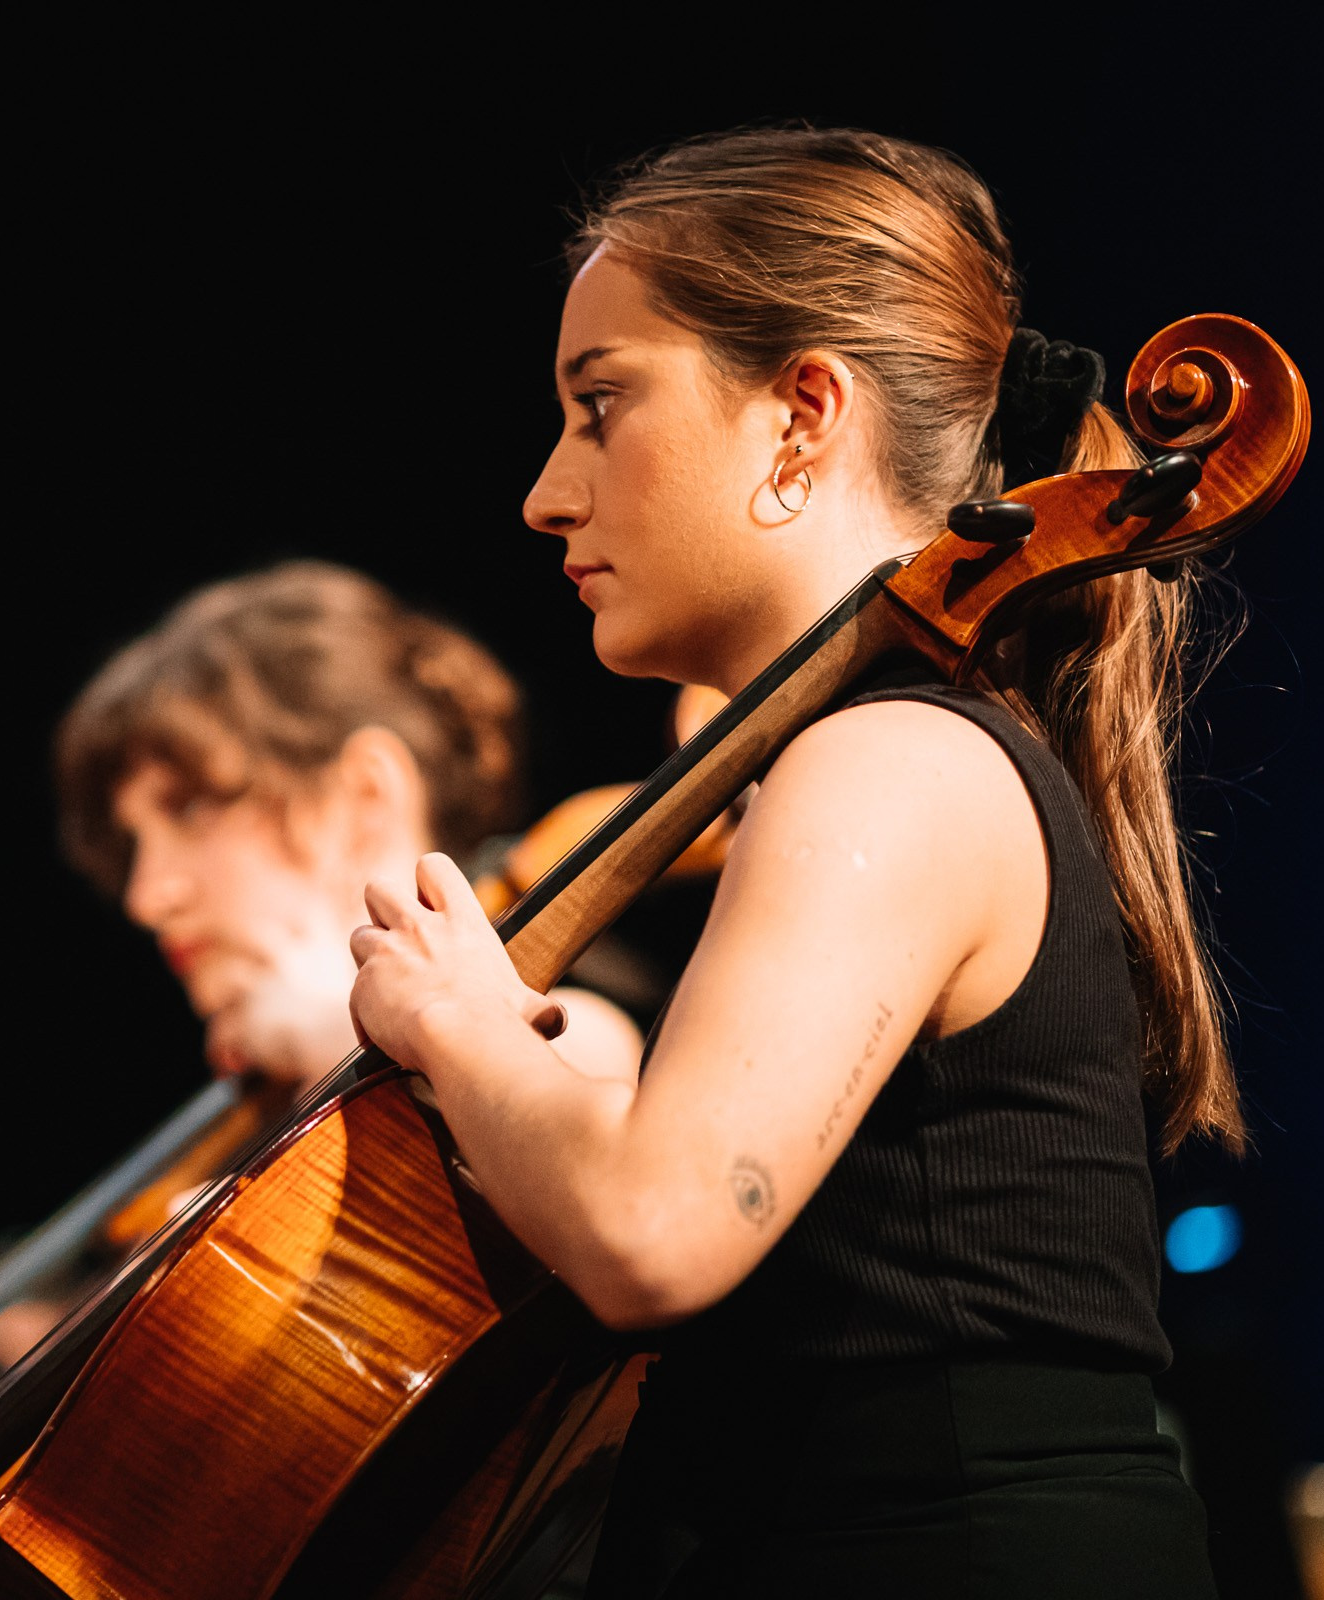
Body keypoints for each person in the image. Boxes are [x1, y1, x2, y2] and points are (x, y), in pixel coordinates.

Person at [345, 127, 1231, 1596]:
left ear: (802, 415)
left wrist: (456, 1017)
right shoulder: (877, 762)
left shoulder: (889, 763)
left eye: (601, 406)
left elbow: (652, 1232)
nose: (547, 494)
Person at [56, 560, 643, 1096]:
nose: (146, 897)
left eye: (190, 808)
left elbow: (582, 1073)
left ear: (365, 796)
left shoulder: (574, 1040)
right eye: (138, 842)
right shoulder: (258, 1096)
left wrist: (332, 1022)